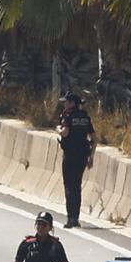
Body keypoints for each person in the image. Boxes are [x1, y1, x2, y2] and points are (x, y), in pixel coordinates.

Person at [57, 92, 96, 228]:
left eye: (67, 102)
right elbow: (93, 139)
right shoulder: (85, 117)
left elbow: (65, 132)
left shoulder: (67, 116)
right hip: (82, 156)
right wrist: (91, 156)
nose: (65, 104)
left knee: (69, 186)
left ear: (72, 103)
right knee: (77, 186)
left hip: (70, 155)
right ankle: (76, 217)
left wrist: (59, 130)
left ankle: (70, 218)